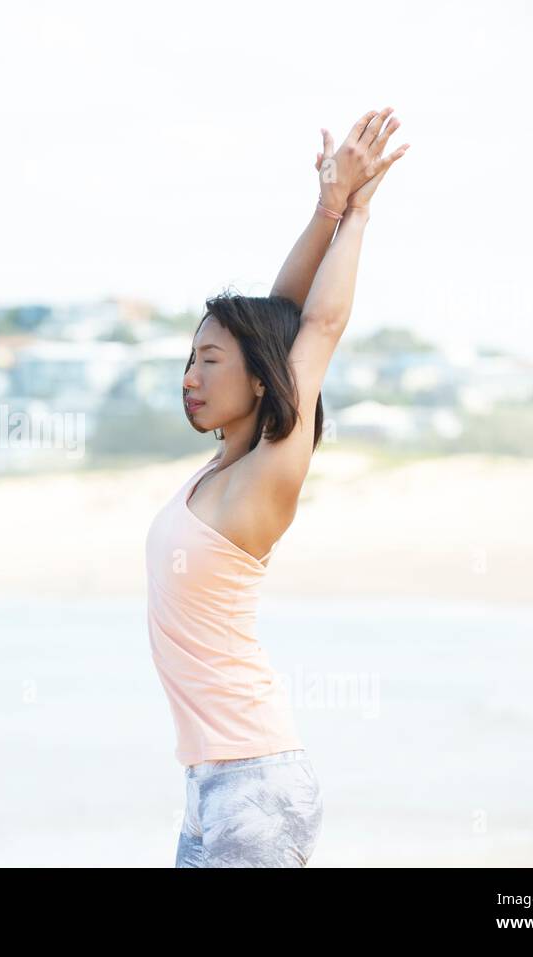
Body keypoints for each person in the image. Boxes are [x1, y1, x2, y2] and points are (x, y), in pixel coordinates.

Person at [146, 107, 410, 867]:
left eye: (209, 361)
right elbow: (284, 315)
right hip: (213, 783)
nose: (190, 378)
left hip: (254, 783)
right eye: (188, 360)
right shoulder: (220, 471)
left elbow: (314, 326)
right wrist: (324, 206)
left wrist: (357, 212)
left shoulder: (265, 473)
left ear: (260, 380)